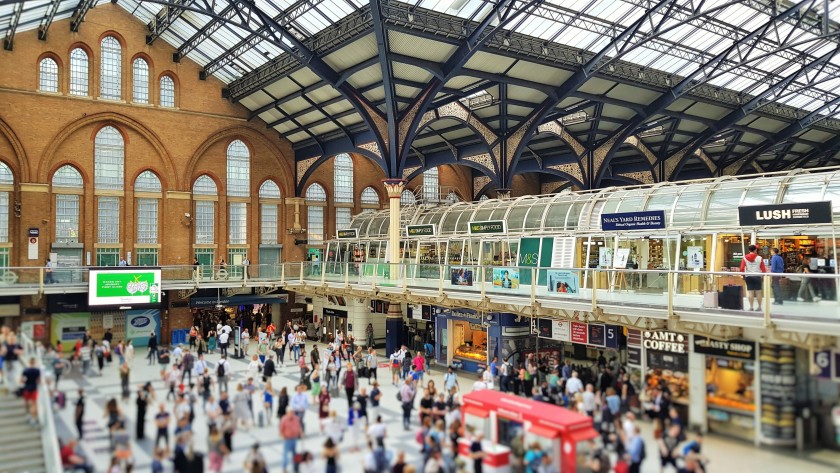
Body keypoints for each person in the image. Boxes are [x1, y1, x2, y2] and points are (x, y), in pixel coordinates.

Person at [740, 244, 767, 311]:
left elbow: (742, 268)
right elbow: (763, 269)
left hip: (749, 276)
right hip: (757, 276)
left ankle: (751, 307)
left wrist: (743, 276)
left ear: (749, 250)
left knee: (750, 292)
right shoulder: (759, 258)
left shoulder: (745, 258)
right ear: (755, 250)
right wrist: (763, 276)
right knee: (758, 292)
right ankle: (759, 307)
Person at [20, 357, 41, 424]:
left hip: (27, 388)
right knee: (34, 404)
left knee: (27, 403)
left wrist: (25, 382)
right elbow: (39, 380)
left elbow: (21, 380)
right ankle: (34, 418)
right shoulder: (37, 370)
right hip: (34, 388)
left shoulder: (25, 370)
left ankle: (28, 415)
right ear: (34, 362)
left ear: (29, 362)